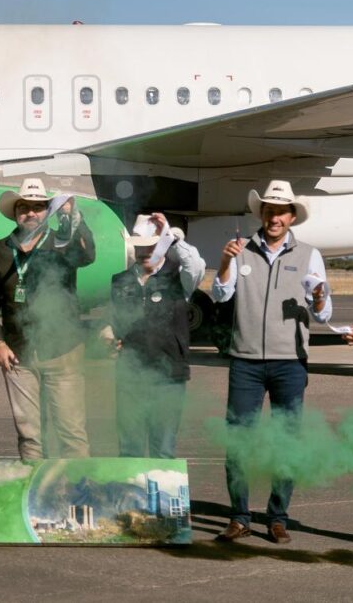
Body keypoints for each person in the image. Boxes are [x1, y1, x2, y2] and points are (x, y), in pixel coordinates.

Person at [212, 180, 331, 545]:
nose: (274, 216)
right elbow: (221, 295)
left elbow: (323, 313)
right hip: (245, 360)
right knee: (239, 442)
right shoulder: (241, 249)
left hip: (289, 363)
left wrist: (318, 295)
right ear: (260, 213)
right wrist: (226, 261)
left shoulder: (309, 254)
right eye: (268, 209)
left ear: (292, 216)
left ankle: (277, 518)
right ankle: (239, 517)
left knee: (285, 442)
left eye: (281, 211)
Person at [0, 178, 96, 461]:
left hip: (62, 350)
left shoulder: (62, 242)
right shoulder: (0, 249)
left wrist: (73, 216)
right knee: (30, 435)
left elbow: (87, 254)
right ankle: (35, 496)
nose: (30, 213)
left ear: (47, 211)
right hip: (18, 353)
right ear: (15, 212)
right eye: (24, 208)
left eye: (38, 207)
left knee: (71, 433)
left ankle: (75, 496)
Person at [108, 213, 205, 459]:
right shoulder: (120, 281)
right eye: (139, 247)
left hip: (169, 377)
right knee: (129, 448)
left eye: (150, 246)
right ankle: (133, 496)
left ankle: (160, 497)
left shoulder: (178, 279)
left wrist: (171, 237)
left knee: (163, 449)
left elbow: (195, 266)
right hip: (130, 377)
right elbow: (116, 323)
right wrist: (108, 334)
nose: (144, 253)